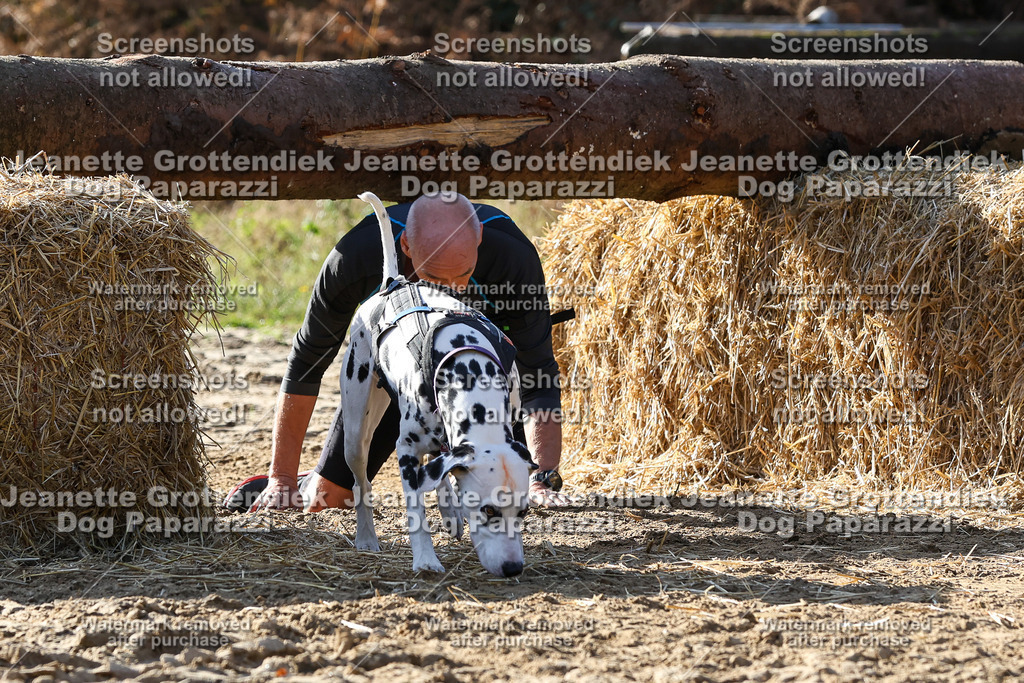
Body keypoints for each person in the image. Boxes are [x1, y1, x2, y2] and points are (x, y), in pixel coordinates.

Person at [249, 192, 570, 512]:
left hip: (487, 385)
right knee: (329, 501)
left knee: (507, 493)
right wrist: (282, 479)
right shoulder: (354, 260)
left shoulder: (512, 259)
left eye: (461, 276)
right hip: (402, 378)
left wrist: (543, 478)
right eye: (434, 278)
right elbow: (307, 364)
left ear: (479, 239)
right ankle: (304, 480)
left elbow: (537, 372)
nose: (449, 291)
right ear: (405, 246)